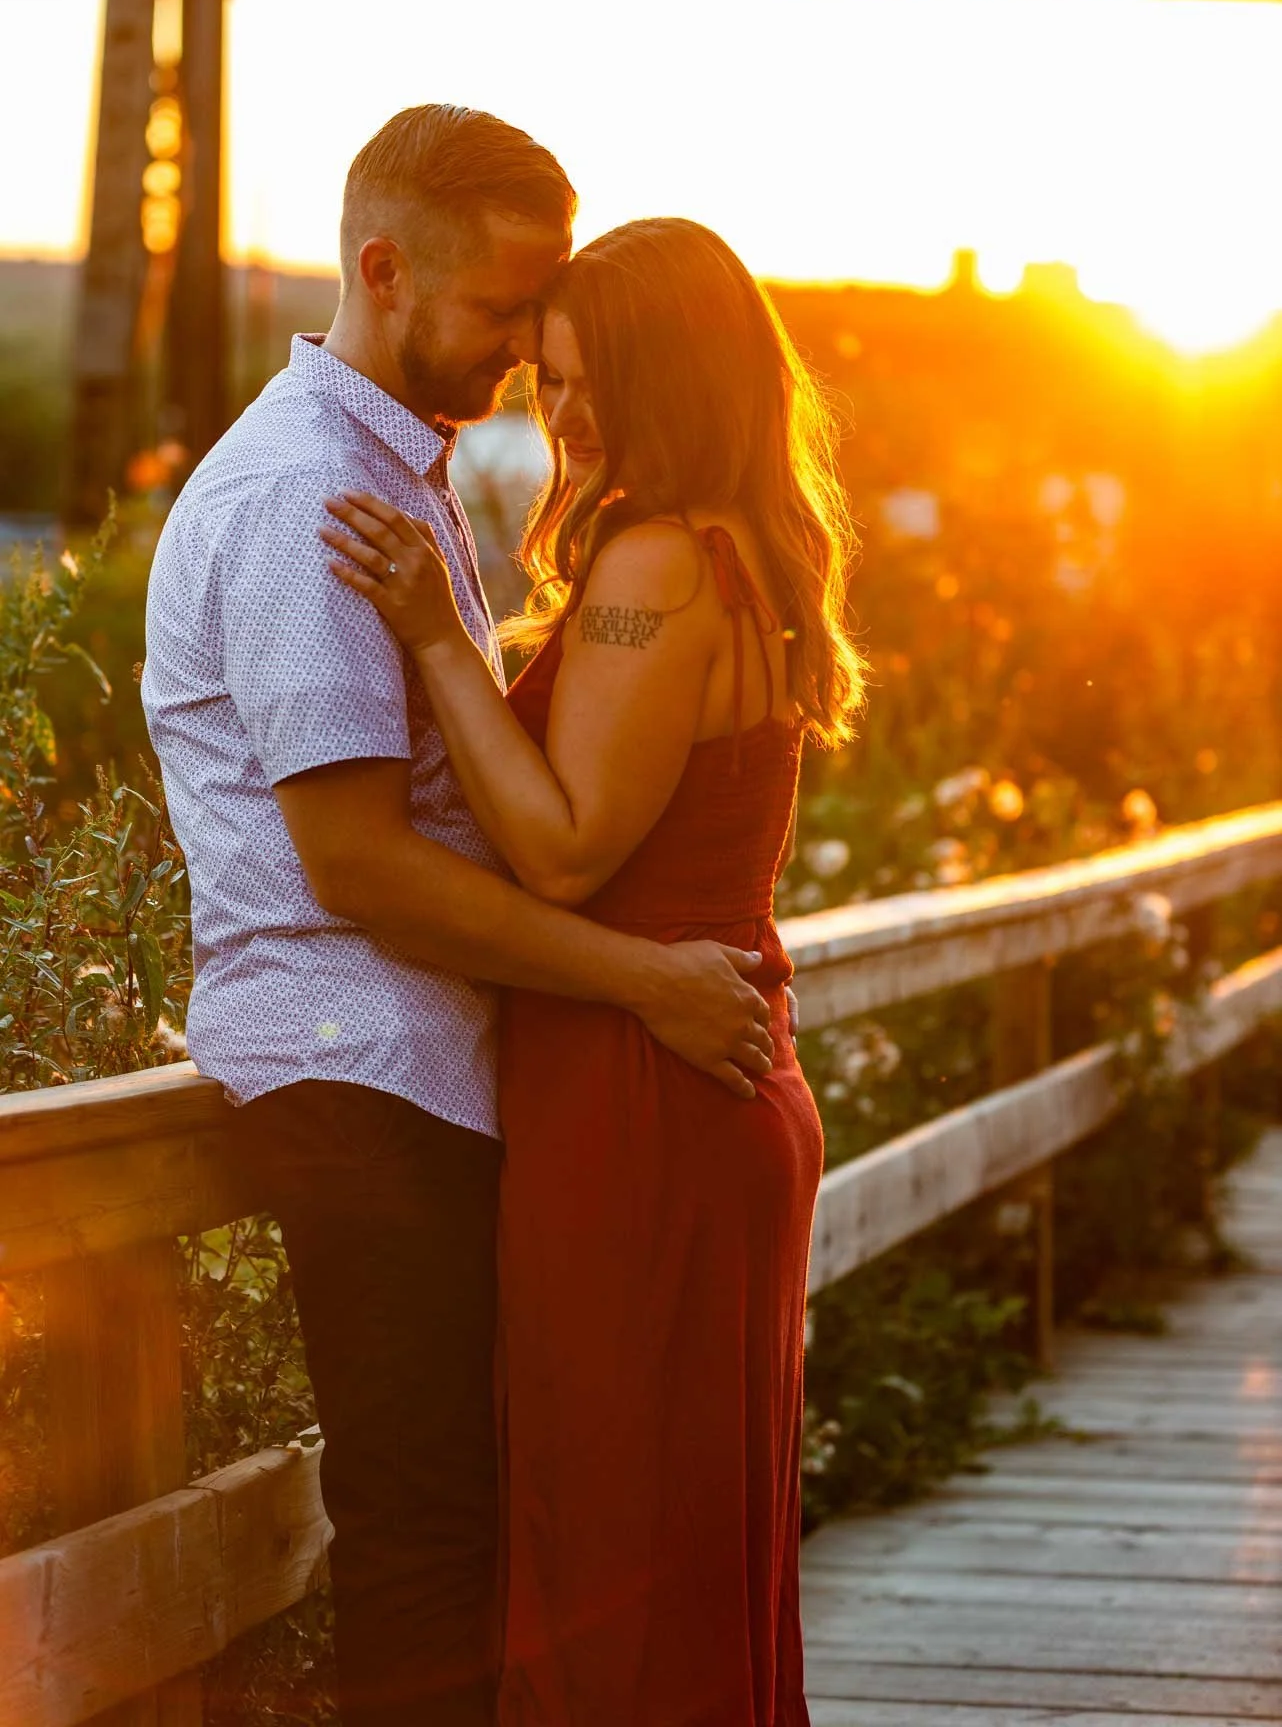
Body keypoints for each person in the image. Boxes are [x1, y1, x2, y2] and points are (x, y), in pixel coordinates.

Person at [141, 111, 776, 1727]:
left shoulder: (396, 481)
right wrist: (639, 980)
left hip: (441, 1067)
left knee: (494, 1529)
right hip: (362, 1066)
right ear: (384, 269)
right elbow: (357, 867)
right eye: (504, 315)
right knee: (430, 1540)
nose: (521, 358)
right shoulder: (308, 499)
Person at [321, 215, 864, 1725]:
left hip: (640, 1096)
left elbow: (563, 854)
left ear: (670, 377)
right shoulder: (743, 549)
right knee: (680, 1550)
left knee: (611, 1553)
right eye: (545, 378)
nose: (555, 414)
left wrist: (439, 639)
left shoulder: (655, 563)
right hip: (709, 1071)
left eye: (580, 381)